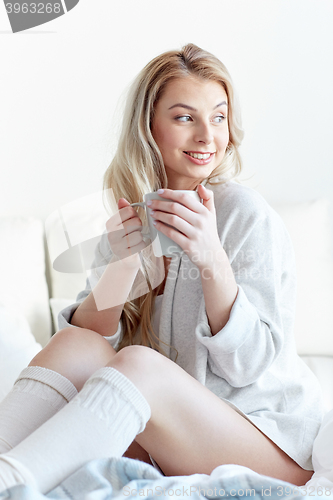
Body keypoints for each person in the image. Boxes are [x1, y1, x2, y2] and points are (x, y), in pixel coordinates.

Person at [0, 43, 324, 494]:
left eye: (218, 116)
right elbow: (86, 347)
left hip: (269, 444)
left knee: (139, 364)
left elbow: (249, 366)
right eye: (184, 117)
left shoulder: (244, 214)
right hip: (173, 439)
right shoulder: (134, 217)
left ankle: (15, 481)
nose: (207, 136)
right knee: (78, 343)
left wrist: (210, 256)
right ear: (149, 126)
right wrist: (121, 265)